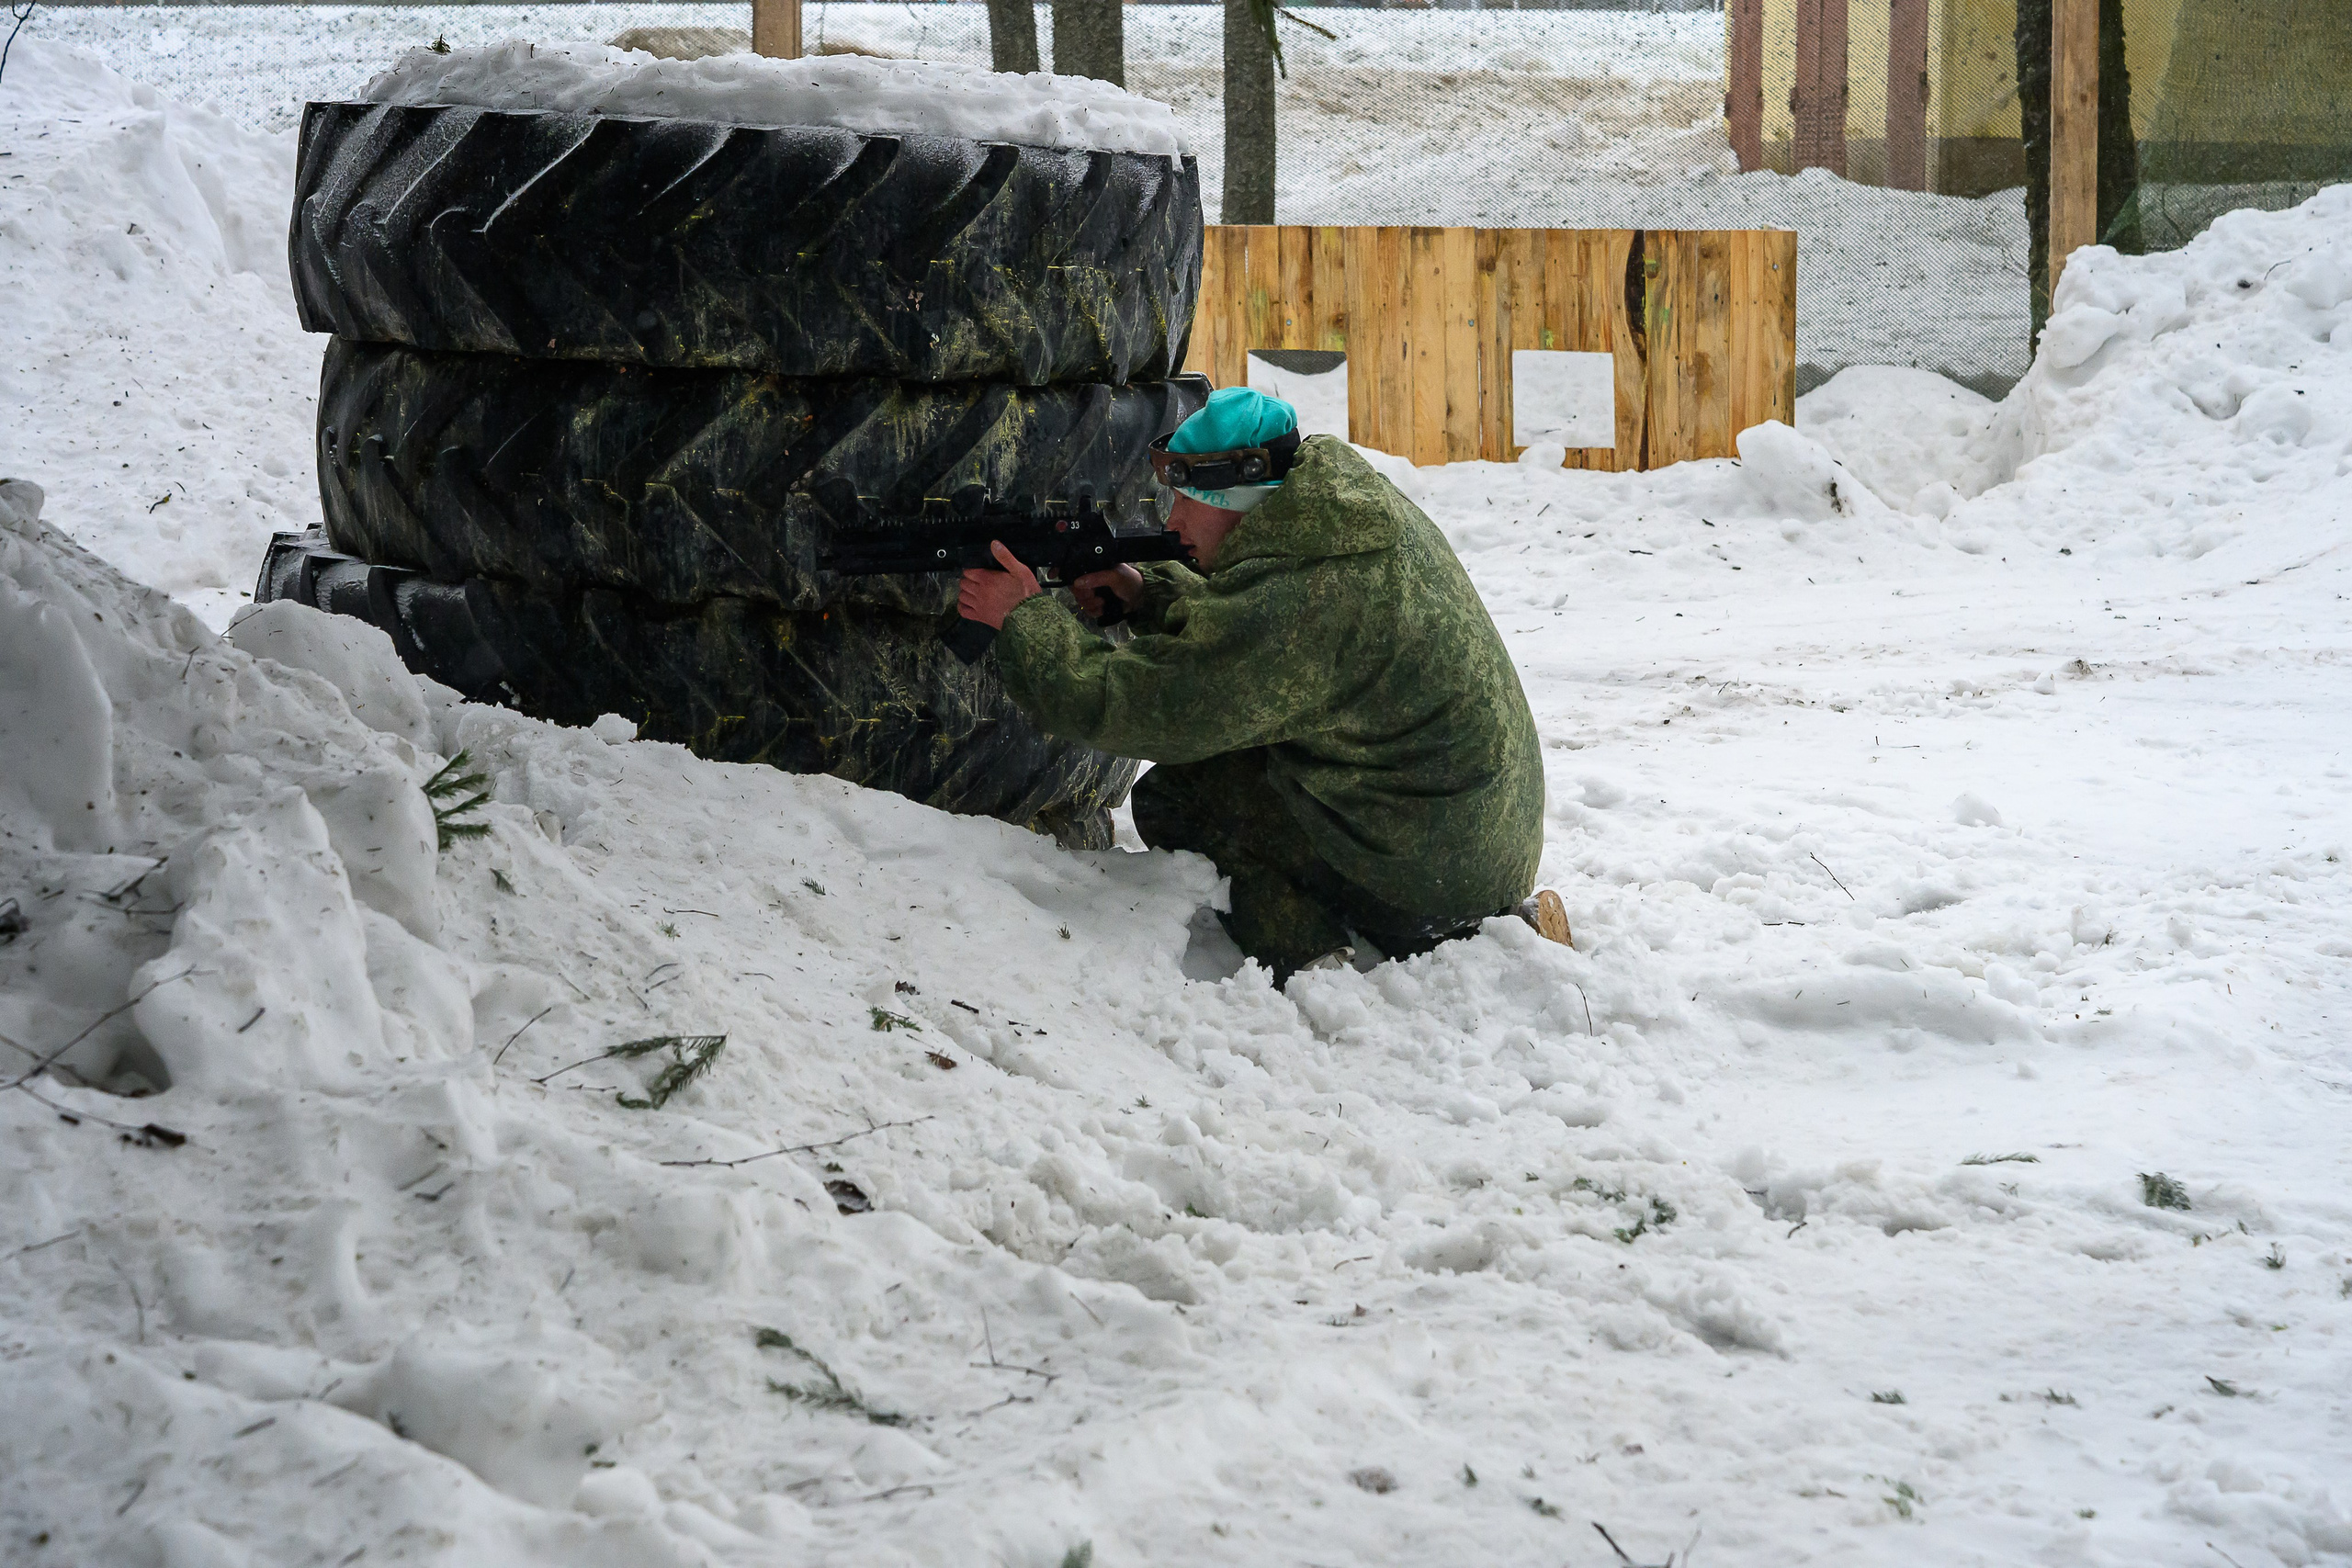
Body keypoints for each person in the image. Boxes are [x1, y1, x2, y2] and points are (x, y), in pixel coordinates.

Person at [957, 386, 1559, 981]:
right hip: (1484, 830)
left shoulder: (1298, 601)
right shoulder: (1336, 512)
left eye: (1188, 500)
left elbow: (1139, 705)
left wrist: (1023, 620)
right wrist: (1149, 592)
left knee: (1179, 796)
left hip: (1434, 870)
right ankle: (1469, 916)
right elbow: (1257, 642)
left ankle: (1313, 953)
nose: (1173, 519)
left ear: (1237, 498)